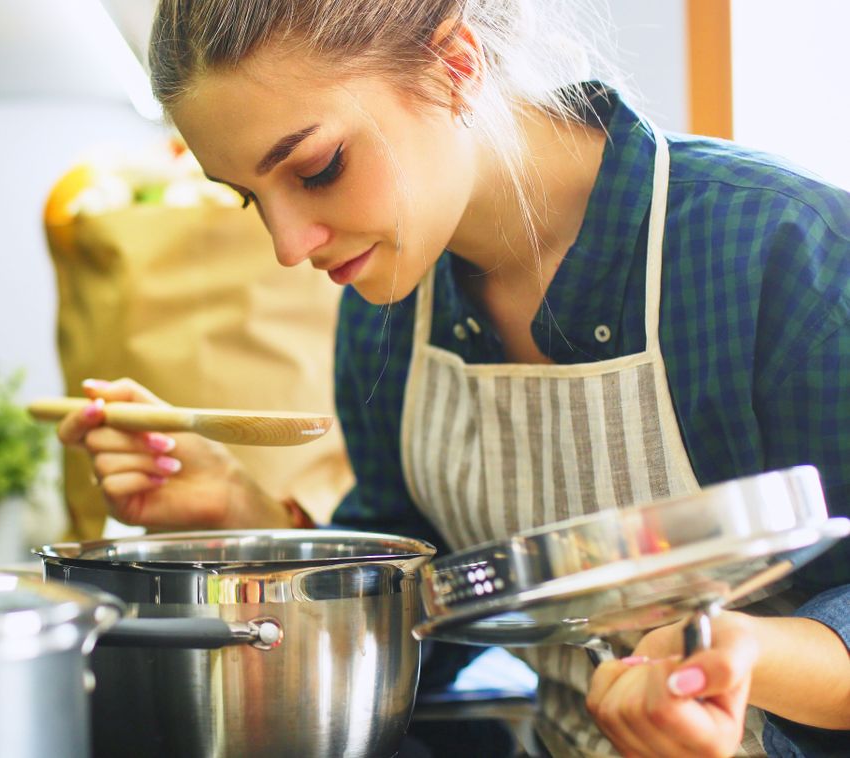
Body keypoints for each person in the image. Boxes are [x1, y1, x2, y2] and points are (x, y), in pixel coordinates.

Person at [54, 1, 850, 755]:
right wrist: (242, 510)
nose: (289, 246)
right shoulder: (388, 309)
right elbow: (427, 623)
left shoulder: (778, 249)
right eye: (248, 199)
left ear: (451, 67)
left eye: (317, 167)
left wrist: (739, 654)